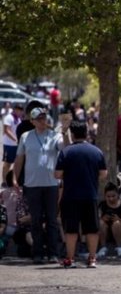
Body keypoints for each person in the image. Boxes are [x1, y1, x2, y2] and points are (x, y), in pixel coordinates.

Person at [12, 107, 68, 264]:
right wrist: (15, 178)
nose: (43, 121)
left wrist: (65, 131)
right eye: (39, 119)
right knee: (36, 220)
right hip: (32, 184)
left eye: (44, 118)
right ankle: (37, 253)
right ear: (32, 121)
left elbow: (65, 148)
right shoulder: (25, 136)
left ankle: (53, 253)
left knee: (51, 219)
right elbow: (19, 159)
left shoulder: (54, 135)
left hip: (51, 184)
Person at [55, 120, 108, 268]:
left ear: (72, 134)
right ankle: (92, 259)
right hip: (90, 194)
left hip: (70, 196)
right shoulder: (96, 151)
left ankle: (70, 259)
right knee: (91, 229)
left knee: (71, 229)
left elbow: (57, 174)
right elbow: (103, 173)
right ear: (86, 132)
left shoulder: (66, 152)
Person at [97, 181, 121, 258]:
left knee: (117, 224)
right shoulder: (102, 205)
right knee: (101, 223)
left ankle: (119, 247)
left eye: (113, 196)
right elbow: (97, 219)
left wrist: (118, 219)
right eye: (108, 196)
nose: (111, 198)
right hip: (106, 232)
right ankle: (103, 247)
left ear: (117, 194)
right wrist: (103, 218)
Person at [3, 103, 23, 186]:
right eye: (18, 110)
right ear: (15, 110)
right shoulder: (9, 117)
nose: (20, 112)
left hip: (17, 145)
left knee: (16, 163)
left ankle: (13, 180)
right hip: (9, 144)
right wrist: (15, 139)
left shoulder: (19, 119)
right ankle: (4, 181)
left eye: (21, 110)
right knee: (7, 163)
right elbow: (6, 130)